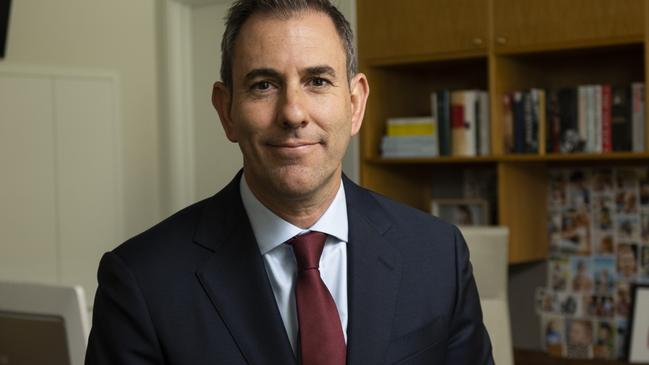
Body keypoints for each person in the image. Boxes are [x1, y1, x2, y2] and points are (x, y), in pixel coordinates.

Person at [84, 1, 493, 364]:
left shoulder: (438, 256)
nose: (293, 113)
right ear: (226, 111)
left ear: (354, 104)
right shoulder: (142, 281)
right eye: (264, 85)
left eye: (317, 81)